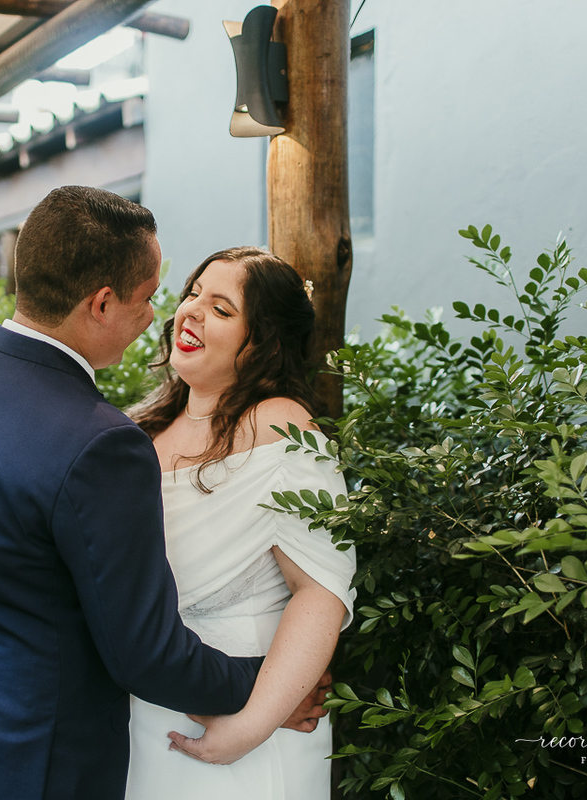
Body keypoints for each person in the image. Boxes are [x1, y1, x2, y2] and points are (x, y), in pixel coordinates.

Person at [0, 188, 321, 800]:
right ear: (102, 303)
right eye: (150, 297)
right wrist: (268, 688)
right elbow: (146, 655)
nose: (160, 314)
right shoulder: (100, 443)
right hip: (28, 764)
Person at [125, 247, 357, 799]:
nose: (191, 311)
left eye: (222, 308)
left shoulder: (282, 427)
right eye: (193, 293)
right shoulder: (142, 431)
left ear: (263, 343)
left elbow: (319, 591)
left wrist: (251, 725)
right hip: (142, 713)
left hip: (250, 719)